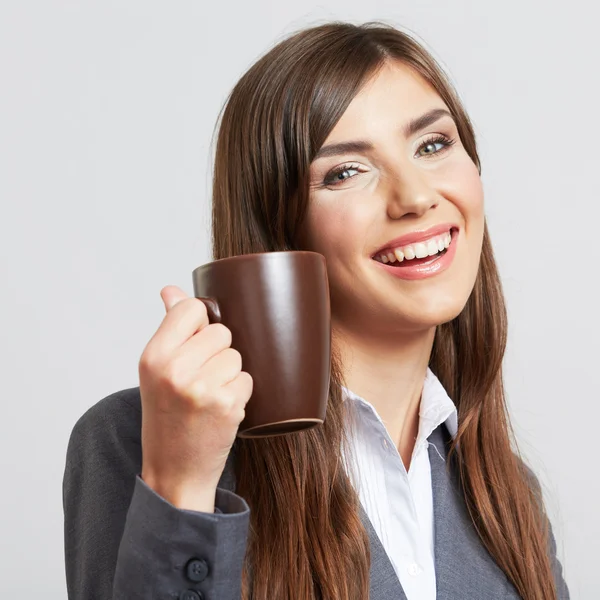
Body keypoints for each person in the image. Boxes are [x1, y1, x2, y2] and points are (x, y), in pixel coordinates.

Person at [62, 20, 570, 600]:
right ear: (281, 229)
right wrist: (181, 488)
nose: (415, 196)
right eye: (346, 171)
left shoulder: (505, 494)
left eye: (433, 145)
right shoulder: (138, 441)